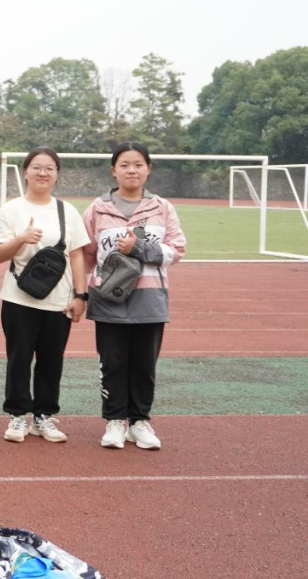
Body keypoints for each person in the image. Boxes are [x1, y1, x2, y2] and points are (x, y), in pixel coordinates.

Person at [82, 141, 186, 450]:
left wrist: (138, 247)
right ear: (113, 170)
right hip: (108, 300)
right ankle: (114, 421)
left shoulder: (162, 208)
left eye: (138, 164)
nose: (132, 170)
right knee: (112, 362)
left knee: (144, 364)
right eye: (124, 165)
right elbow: (85, 254)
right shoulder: (97, 209)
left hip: (149, 299)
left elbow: (176, 250)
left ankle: (139, 422)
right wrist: (80, 291)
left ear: (148, 169)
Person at [0, 147, 90, 443]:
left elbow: (76, 255)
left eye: (49, 168)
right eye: (36, 167)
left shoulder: (67, 211)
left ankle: (44, 415)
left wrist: (81, 295)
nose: (42, 173)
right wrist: (21, 239)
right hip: (18, 298)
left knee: (51, 361)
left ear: (57, 175)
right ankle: (17, 415)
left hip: (59, 300)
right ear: (26, 172)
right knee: (18, 359)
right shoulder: (12, 209)